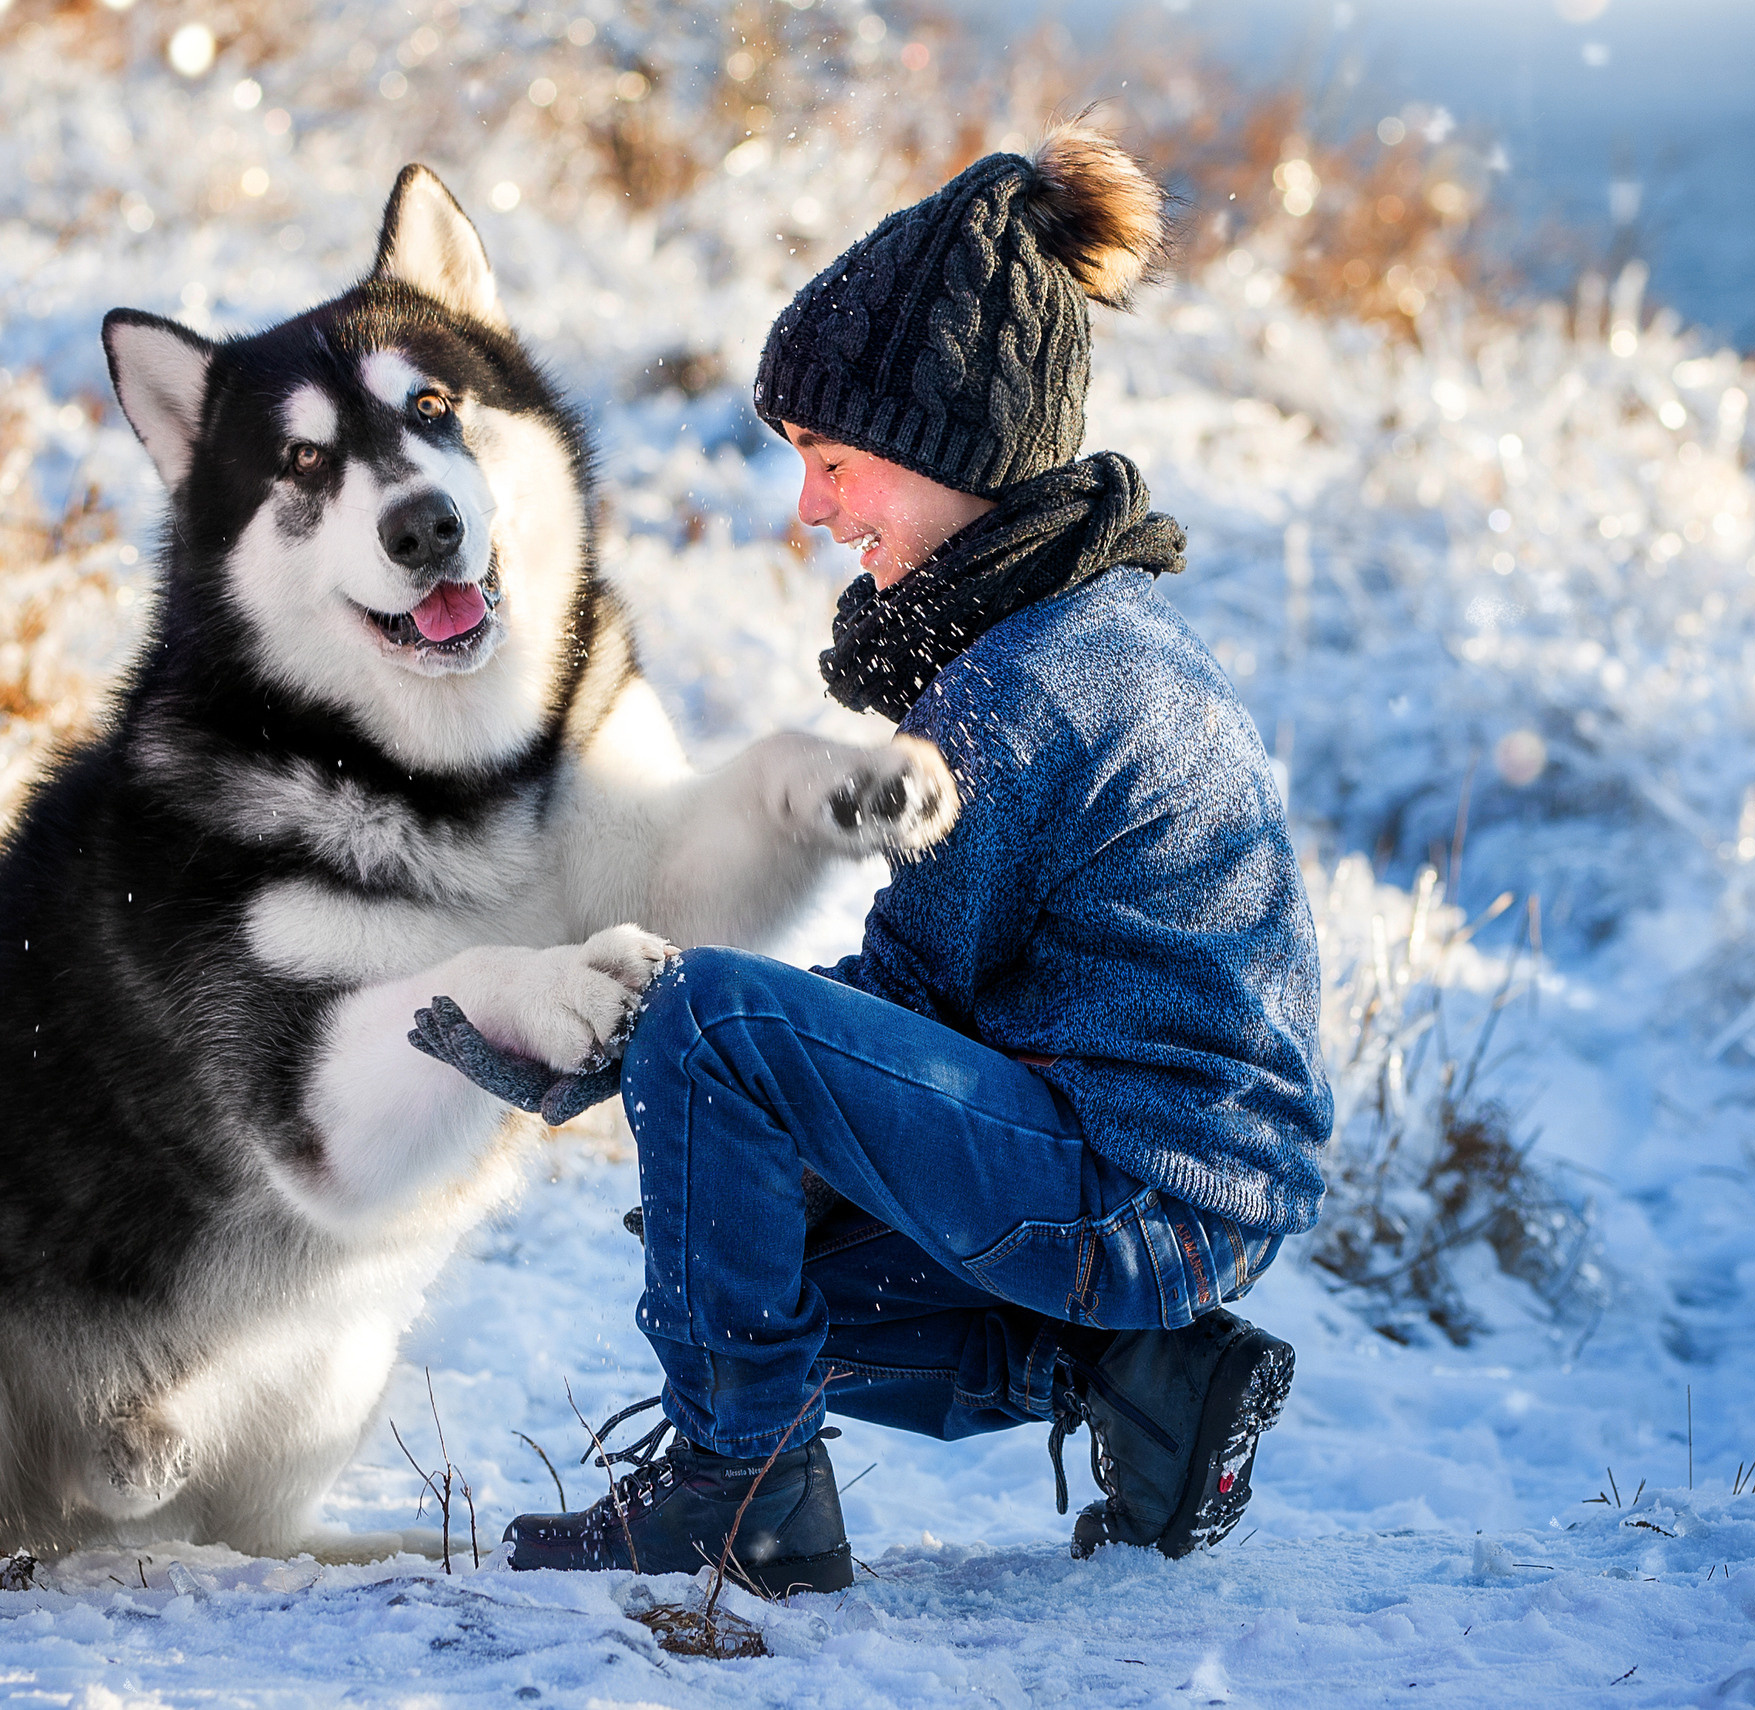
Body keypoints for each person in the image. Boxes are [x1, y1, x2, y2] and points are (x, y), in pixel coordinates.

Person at [477, 119, 1332, 1593]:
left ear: (951, 451)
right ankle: (1146, 1383)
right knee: (722, 1222)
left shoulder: (1023, 682)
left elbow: (901, 1004)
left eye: (832, 460)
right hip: (1180, 1182)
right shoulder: (1079, 628)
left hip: (1135, 1174)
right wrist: (721, 1169)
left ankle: (742, 1491)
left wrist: (646, 1046)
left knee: (708, 1038)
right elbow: (916, 1014)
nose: (811, 506)